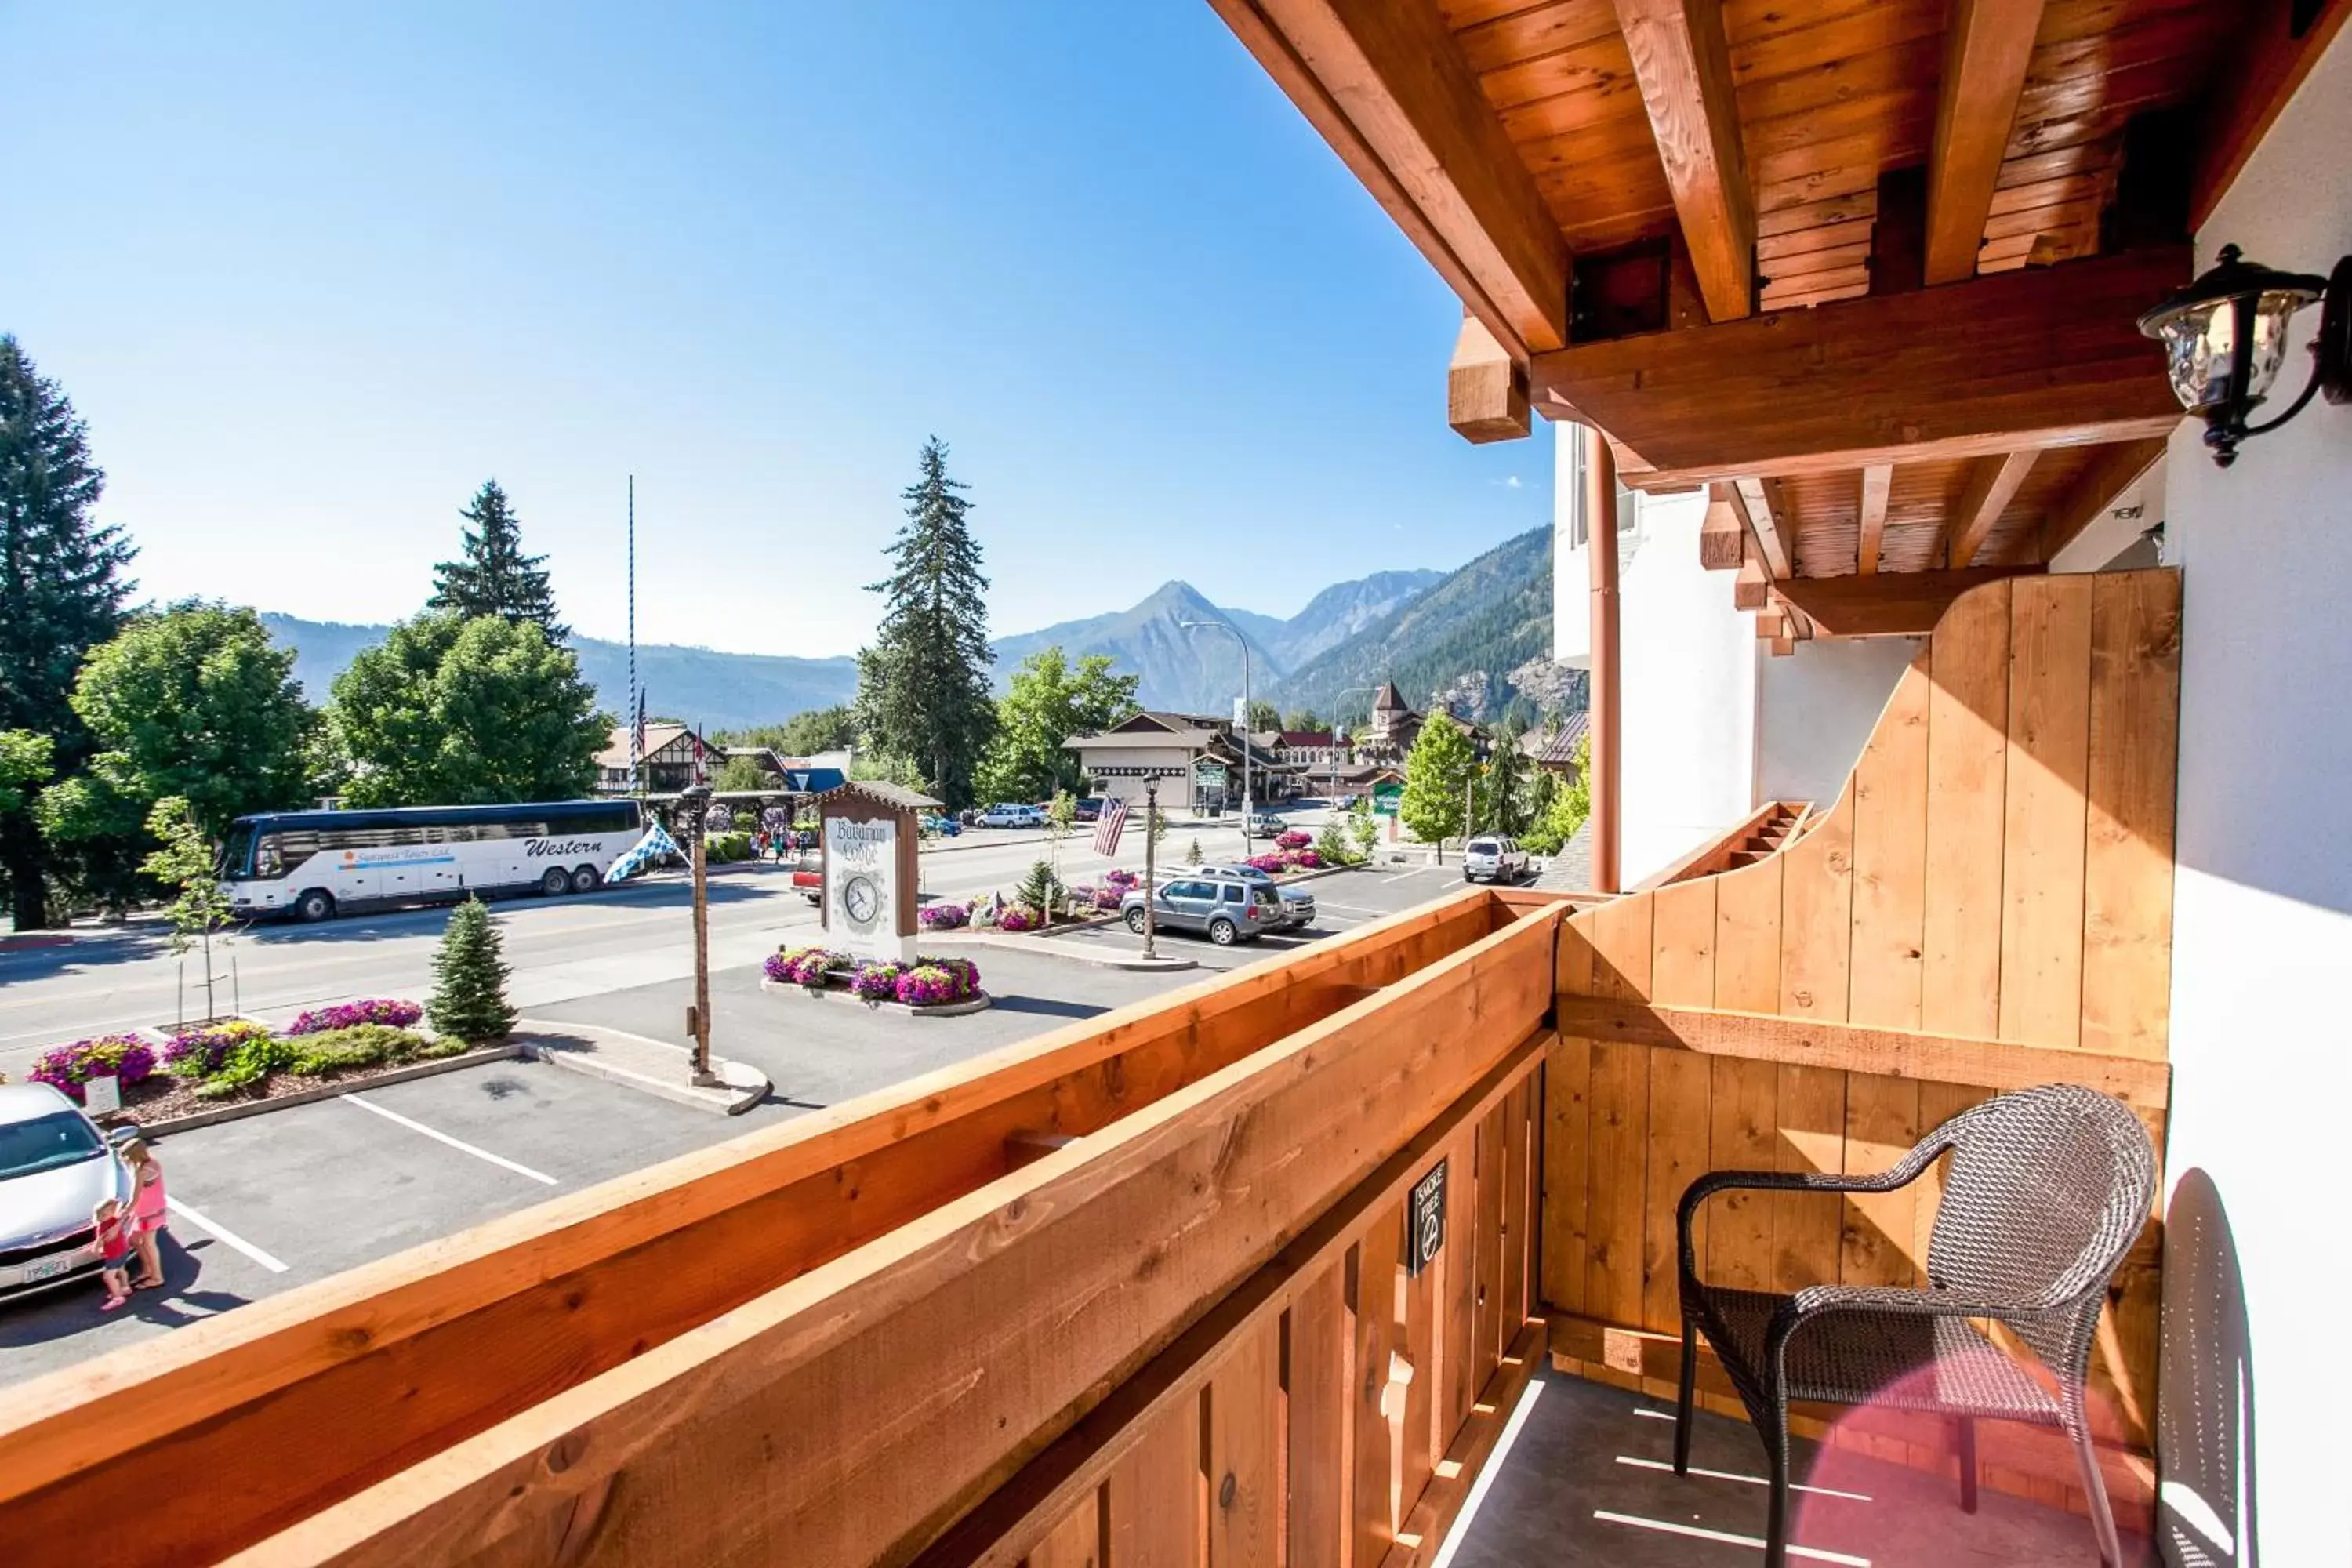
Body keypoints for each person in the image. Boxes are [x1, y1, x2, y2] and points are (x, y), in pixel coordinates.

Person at [123, 1138, 168, 1290]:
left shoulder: (141, 1172)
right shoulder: (153, 1162)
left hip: (147, 1213)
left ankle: (157, 1277)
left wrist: (122, 1216)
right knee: (135, 1239)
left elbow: (134, 1198)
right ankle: (148, 1269)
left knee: (148, 1244)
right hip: (154, 1209)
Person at [93, 1198, 134, 1311]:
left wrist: (96, 1250)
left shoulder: (103, 1226)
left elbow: (100, 1240)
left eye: (103, 1215)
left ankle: (118, 1297)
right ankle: (125, 1287)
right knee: (121, 1268)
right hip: (123, 1250)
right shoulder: (116, 1220)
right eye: (101, 1215)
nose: (102, 1217)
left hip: (113, 1254)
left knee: (108, 1276)